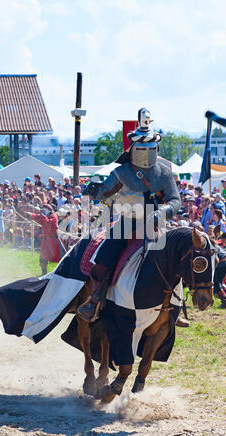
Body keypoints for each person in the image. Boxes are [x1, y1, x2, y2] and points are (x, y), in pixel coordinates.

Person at [77, 108, 181, 322]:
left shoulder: (164, 172)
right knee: (106, 255)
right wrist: (93, 190)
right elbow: (105, 191)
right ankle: (96, 300)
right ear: (133, 149)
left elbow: (175, 201)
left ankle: (175, 306)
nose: (146, 153)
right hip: (127, 222)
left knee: (177, 255)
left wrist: (163, 210)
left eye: (150, 149)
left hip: (155, 223)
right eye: (142, 149)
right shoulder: (122, 172)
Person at [26, 204, 65, 275]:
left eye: (43, 209)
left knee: (61, 258)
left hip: (53, 240)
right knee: (43, 257)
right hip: (46, 239)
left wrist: (43, 217)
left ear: (48, 209)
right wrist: (31, 215)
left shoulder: (54, 216)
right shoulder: (45, 215)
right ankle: (44, 273)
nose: (42, 211)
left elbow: (49, 224)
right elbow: (38, 217)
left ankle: (62, 273)